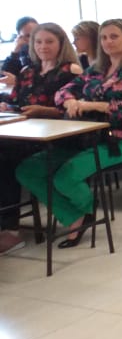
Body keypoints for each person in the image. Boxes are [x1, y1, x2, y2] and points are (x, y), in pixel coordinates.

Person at [16, 19, 122, 248]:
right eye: (104, 37)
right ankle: (78, 213)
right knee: (28, 170)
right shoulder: (95, 70)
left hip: (119, 140)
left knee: (66, 176)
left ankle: (81, 214)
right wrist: (72, 101)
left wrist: (91, 105)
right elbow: (62, 93)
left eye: (114, 36)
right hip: (83, 137)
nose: (108, 42)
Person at [0, 23, 81, 254]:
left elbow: (75, 111)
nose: (43, 46)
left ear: (60, 44)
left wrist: (44, 111)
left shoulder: (70, 70)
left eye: (49, 42)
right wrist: (8, 105)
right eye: (38, 42)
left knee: (5, 160)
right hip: (25, 131)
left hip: (56, 137)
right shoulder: (27, 72)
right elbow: (17, 101)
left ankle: (10, 228)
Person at [1, 16, 38, 83]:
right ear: (20, 37)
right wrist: (16, 50)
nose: (33, 38)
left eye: (35, 34)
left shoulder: (45, 50)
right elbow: (5, 76)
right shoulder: (23, 50)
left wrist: (18, 82)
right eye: (28, 36)